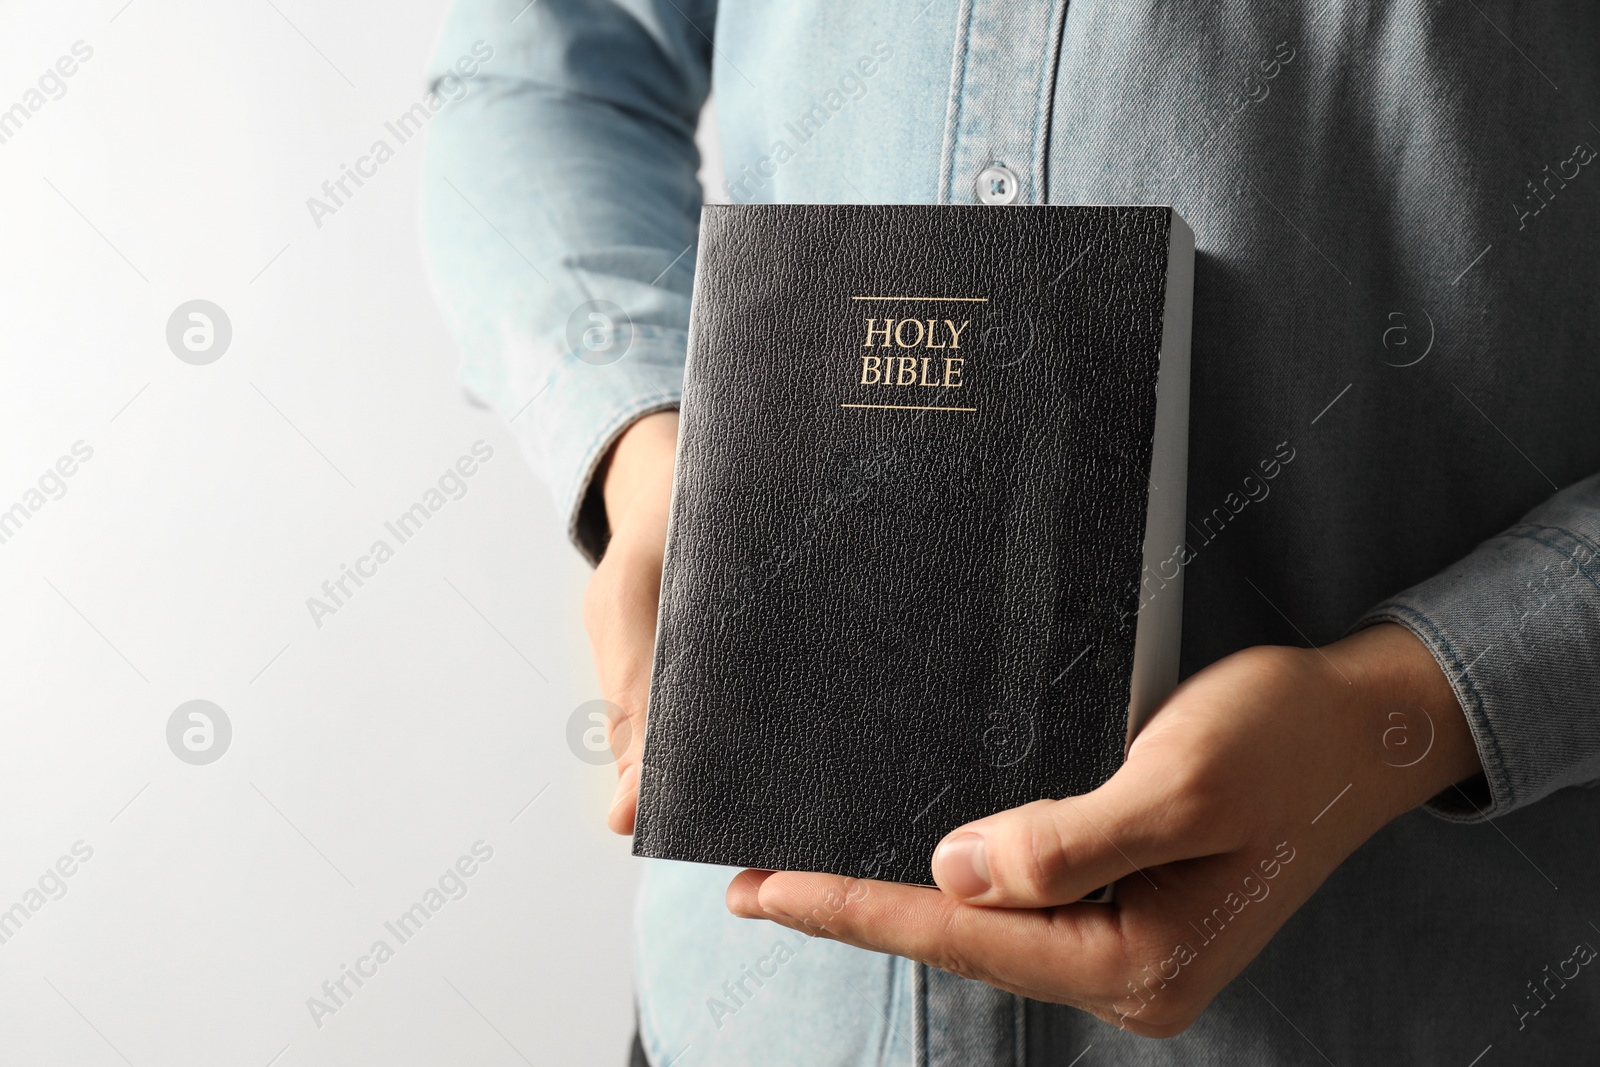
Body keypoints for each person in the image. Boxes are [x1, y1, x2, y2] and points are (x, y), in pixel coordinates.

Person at [421, 2, 1600, 1062]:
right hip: (758, 1012)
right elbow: (537, 70)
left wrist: (1403, 711)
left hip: (1415, 998)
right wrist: (646, 447)